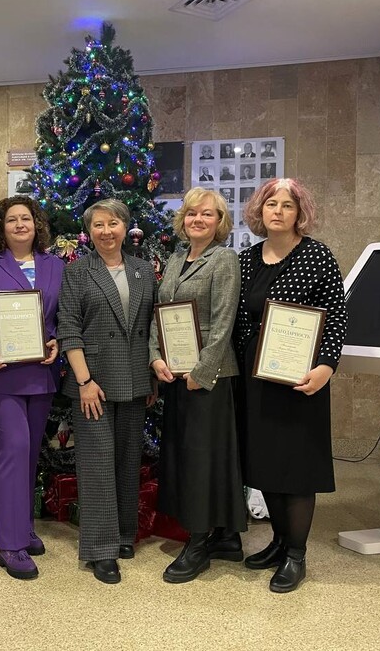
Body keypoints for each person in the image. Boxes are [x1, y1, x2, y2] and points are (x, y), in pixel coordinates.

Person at [233, 178, 347, 593]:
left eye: (287, 205)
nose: (278, 211)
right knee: (264, 462)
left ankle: (296, 555)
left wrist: (326, 366)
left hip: (301, 378)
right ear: (259, 211)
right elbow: (238, 318)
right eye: (271, 204)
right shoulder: (246, 260)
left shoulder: (317, 256)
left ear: (300, 213)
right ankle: (279, 542)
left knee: (296, 467)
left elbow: (336, 315)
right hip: (256, 376)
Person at [149, 187, 247, 583]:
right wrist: (155, 355)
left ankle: (199, 541)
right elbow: (160, 312)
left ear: (220, 222)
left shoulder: (224, 259)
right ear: (183, 219)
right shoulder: (176, 258)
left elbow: (224, 321)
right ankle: (226, 537)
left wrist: (202, 371)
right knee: (187, 454)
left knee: (203, 458)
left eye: (208, 214)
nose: (198, 219)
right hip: (175, 372)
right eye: (192, 213)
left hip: (209, 376)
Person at [58, 198, 157, 584]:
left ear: (125, 227)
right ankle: (101, 550)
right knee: (97, 465)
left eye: (113, 223)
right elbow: (69, 326)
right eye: (98, 225)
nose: (106, 231)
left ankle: (124, 534)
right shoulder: (77, 272)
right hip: (93, 382)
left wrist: (151, 378)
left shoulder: (142, 270)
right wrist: (84, 381)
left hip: (135, 378)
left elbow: (151, 326)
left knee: (128, 460)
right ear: (89, 231)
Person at [0, 195, 63, 580]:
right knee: (14, 447)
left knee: (30, 451)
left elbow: (62, 314)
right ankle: (10, 544)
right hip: (0, 372)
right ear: (1, 228)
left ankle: (23, 526)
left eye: (26, 218)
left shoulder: (55, 265)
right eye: (11, 220)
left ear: (37, 224)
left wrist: (56, 340)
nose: (20, 224)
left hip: (41, 373)